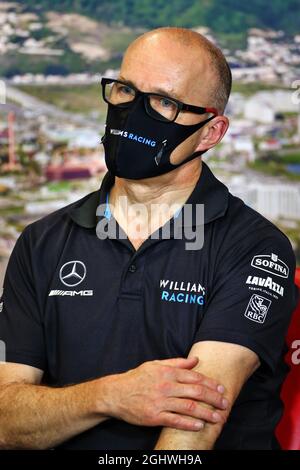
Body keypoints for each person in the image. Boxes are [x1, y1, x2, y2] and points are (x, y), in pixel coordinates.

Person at [0, 27, 297, 450]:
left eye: (164, 102)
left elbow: (190, 433)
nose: (133, 113)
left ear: (211, 132)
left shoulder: (253, 247)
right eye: (125, 90)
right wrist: (110, 396)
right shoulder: (41, 242)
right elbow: (6, 422)